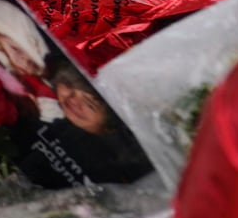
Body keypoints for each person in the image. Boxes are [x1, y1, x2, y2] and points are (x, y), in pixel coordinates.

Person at [20, 58, 155, 188]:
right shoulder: (44, 117)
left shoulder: (126, 164)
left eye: (90, 105)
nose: (72, 102)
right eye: (68, 87)